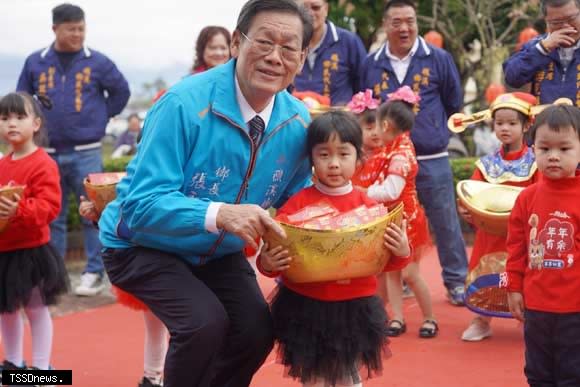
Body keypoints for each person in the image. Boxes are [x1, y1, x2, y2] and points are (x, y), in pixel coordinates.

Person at [97, 1, 314, 386]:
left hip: (217, 250)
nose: (274, 57)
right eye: (264, 42)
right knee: (203, 324)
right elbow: (140, 206)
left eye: (288, 48)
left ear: (302, 58)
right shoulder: (182, 104)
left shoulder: (298, 120)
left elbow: (297, 203)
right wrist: (221, 214)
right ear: (236, 42)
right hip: (140, 243)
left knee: (256, 331)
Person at [258, 111, 411, 387]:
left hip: (354, 308)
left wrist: (401, 251)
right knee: (314, 381)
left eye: (343, 154)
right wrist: (267, 263)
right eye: (324, 154)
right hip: (306, 307)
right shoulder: (295, 206)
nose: (334, 164)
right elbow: (273, 260)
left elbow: (384, 262)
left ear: (358, 157)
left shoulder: (371, 208)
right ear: (311, 159)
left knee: (346, 378)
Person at [16, 3, 131, 297]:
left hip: (88, 149)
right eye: (71, 29)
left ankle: (93, 272)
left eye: (81, 28)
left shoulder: (99, 62)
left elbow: (121, 91)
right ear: (55, 29)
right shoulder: (34, 62)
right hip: (48, 152)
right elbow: (22, 100)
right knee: (51, 215)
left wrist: (101, 116)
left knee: (92, 213)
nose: (77, 34)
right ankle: (53, 276)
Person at [360, 0, 468, 305]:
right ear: (385, 25)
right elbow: (366, 107)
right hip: (385, 159)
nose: (404, 28)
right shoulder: (371, 63)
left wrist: (434, 132)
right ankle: (396, 282)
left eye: (410, 20)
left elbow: (453, 102)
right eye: (396, 22)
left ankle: (457, 281)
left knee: (445, 220)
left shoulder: (439, 58)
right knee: (388, 222)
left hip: (431, 157)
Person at [506, 104, 580, 386]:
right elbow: (516, 247)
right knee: (537, 372)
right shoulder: (526, 198)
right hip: (536, 307)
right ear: (532, 148)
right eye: (544, 148)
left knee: (573, 373)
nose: (553, 157)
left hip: (575, 309)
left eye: (564, 149)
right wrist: (514, 287)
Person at [458, 92, 541, 342]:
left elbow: (542, 194)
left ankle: (531, 321)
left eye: (512, 123)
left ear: (527, 125)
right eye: (499, 123)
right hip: (491, 233)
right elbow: (472, 193)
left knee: (526, 275)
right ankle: (482, 318)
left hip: (525, 234)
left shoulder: (536, 162)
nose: (505, 128)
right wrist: (467, 209)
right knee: (485, 271)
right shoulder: (486, 164)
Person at [0, 92, 68, 379]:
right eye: (4, 118)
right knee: (6, 311)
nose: (11, 124)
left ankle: (42, 371)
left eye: (19, 117)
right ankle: (13, 364)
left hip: (32, 252)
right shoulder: (2, 164)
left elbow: (49, 207)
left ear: (36, 123)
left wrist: (18, 209)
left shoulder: (43, 163)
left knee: (36, 310)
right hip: (3, 251)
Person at [364, 86, 436, 338]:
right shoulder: (390, 147)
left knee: (410, 273)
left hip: (408, 219)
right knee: (392, 271)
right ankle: (397, 318)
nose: (373, 132)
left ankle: (429, 318)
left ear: (385, 124)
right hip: (392, 218)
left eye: (375, 126)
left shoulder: (402, 152)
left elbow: (392, 190)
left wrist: (360, 194)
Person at [79, 197, 166, 387]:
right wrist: (101, 214)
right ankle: (152, 377)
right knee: (156, 326)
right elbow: (122, 214)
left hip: (188, 254)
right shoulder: (137, 175)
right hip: (149, 259)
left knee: (194, 327)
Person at [503, 0, 580, 105]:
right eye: (556, 22)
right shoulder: (536, 46)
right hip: (544, 120)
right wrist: (543, 49)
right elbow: (512, 77)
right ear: (546, 21)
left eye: (571, 19)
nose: (566, 26)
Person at [293, 0, 367, 105]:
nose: (309, 13)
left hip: (337, 118)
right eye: (304, 9)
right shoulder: (289, 42)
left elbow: (363, 87)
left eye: (315, 8)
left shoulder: (348, 41)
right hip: (295, 117)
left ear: (326, 9)